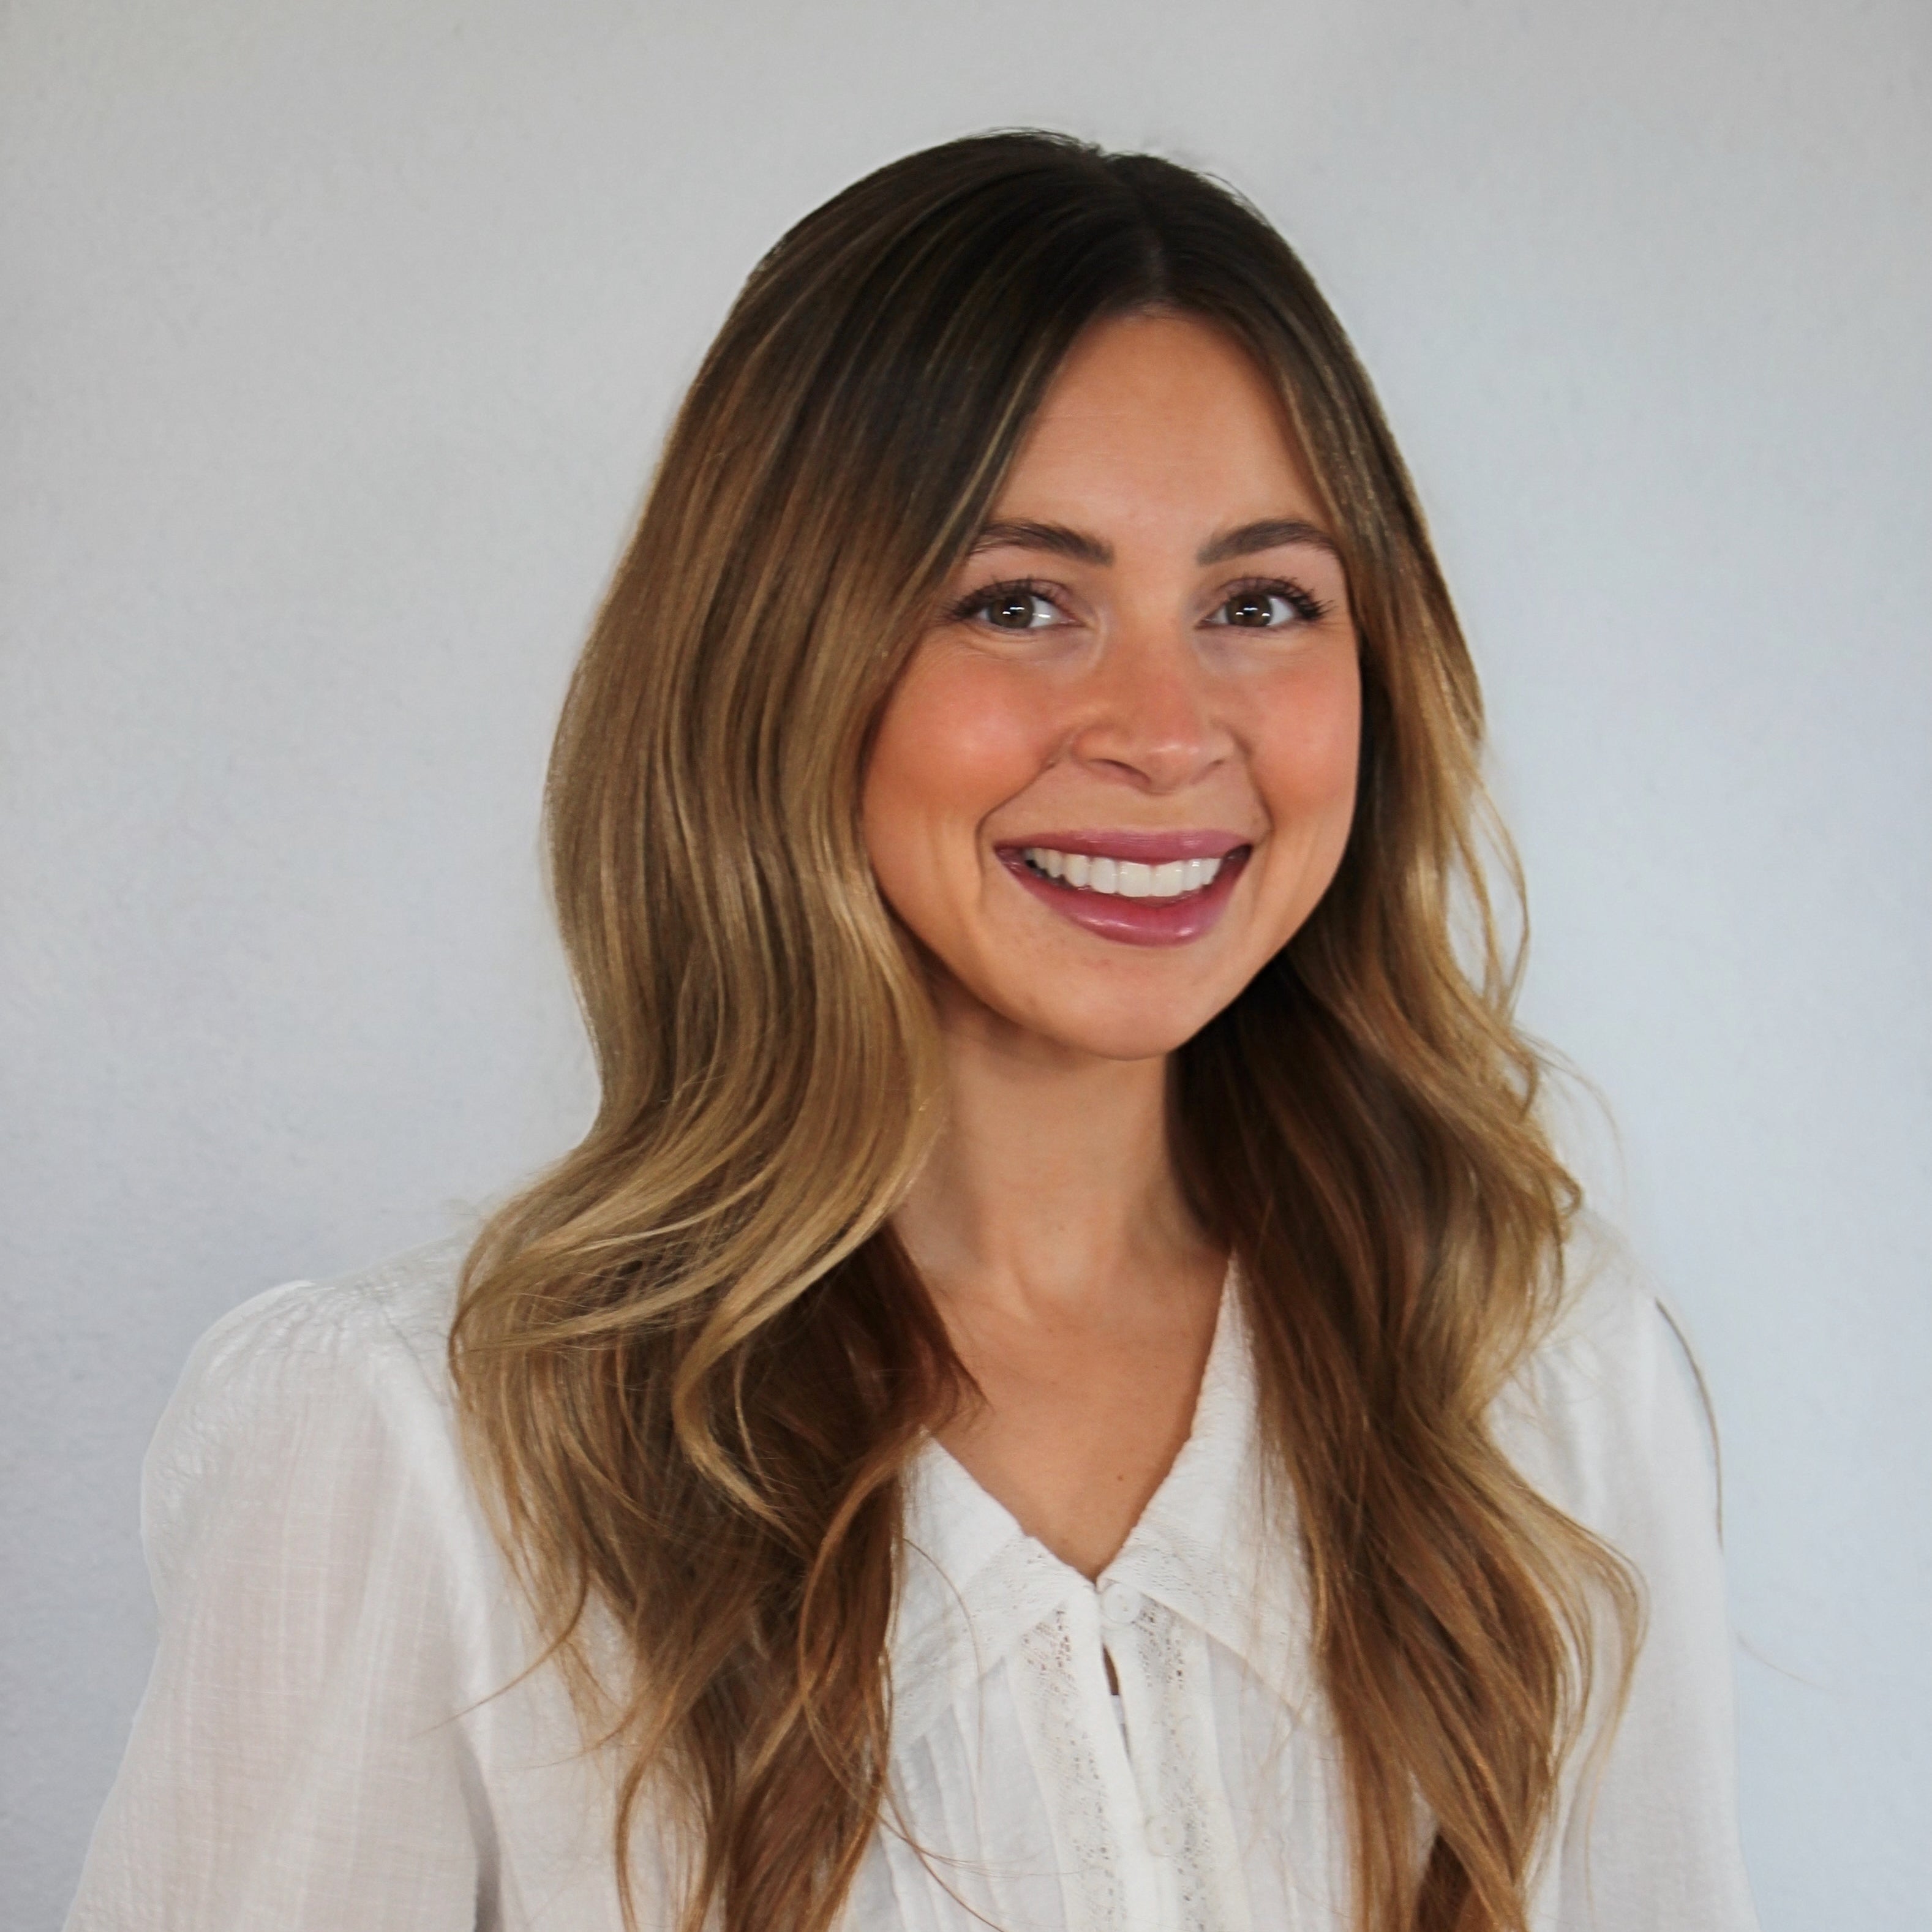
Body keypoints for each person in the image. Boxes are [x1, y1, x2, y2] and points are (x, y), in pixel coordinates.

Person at [65, 132, 1759, 1932]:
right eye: (1017, 601)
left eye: (1259, 602)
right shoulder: (423, 1454)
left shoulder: (1535, 1385)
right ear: (783, 659)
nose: (1167, 729)